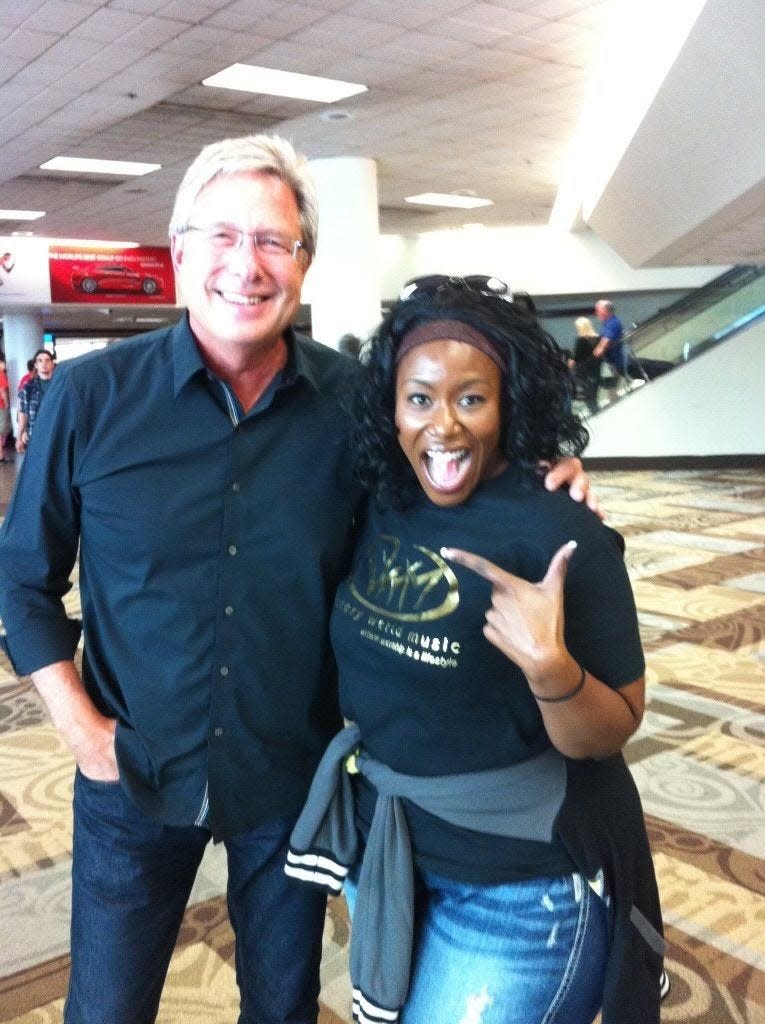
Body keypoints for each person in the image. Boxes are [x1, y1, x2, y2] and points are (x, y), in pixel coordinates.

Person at [0, 137, 596, 1024]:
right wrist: (81, 729)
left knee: (280, 1008)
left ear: (305, 262)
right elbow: (21, 582)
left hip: (293, 780)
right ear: (181, 254)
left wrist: (543, 482)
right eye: (223, 237)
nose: (247, 265)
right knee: (106, 1008)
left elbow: (444, 482)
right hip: (132, 772)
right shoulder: (91, 397)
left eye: (275, 242)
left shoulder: (354, 402)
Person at [287, 278, 665, 1024]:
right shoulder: (380, 499)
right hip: (393, 851)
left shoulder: (561, 534)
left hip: (522, 888)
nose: (444, 428)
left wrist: (550, 671)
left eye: (471, 399)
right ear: (390, 406)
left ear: (508, 404)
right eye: (420, 399)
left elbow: (612, 727)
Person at [16, 348, 55, 454]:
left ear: (52, 364)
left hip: (57, 435)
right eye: (40, 361)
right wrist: (20, 436)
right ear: (36, 365)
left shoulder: (60, 385)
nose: (44, 364)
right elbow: (23, 413)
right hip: (35, 436)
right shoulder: (28, 388)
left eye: (47, 360)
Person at [568, 315, 602, 413]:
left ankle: (595, 413)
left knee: (587, 396)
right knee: (592, 395)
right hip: (595, 371)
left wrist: (566, 368)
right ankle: (597, 412)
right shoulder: (598, 338)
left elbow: (575, 358)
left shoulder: (581, 340)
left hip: (582, 372)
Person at [593, 298, 628, 378]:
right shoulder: (607, 324)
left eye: (598, 310)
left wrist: (598, 349)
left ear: (606, 311)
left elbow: (601, 348)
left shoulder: (612, 323)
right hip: (618, 364)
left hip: (623, 362)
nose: (596, 313)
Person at [0, 352, 11, 461]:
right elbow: (2, 390)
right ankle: (1, 455)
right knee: (2, 430)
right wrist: (7, 404)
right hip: (1, 405)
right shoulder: (0, 373)